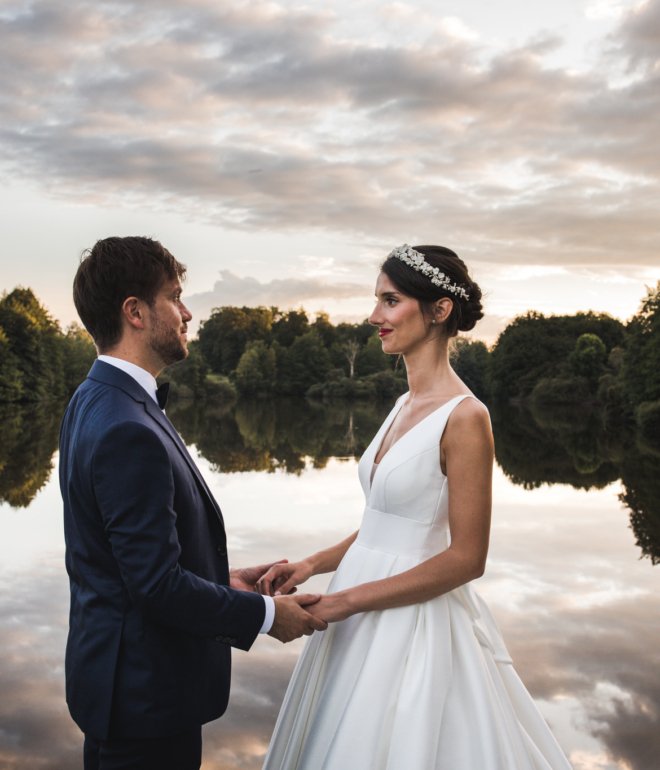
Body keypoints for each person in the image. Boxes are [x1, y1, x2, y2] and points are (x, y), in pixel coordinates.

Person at [258, 244, 572, 769]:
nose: (374, 316)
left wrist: (343, 602)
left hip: (409, 618)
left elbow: (467, 558)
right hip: (354, 607)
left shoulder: (466, 417)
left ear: (439, 309)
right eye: (377, 300)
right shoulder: (403, 404)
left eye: (390, 300)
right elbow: (388, 524)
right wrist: (312, 564)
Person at [59, 236, 327, 770]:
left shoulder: (95, 399)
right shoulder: (127, 427)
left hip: (123, 692)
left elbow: (127, 566)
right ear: (135, 312)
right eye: (175, 297)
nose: (186, 313)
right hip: (145, 702)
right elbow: (156, 587)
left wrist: (220, 579)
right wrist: (267, 616)